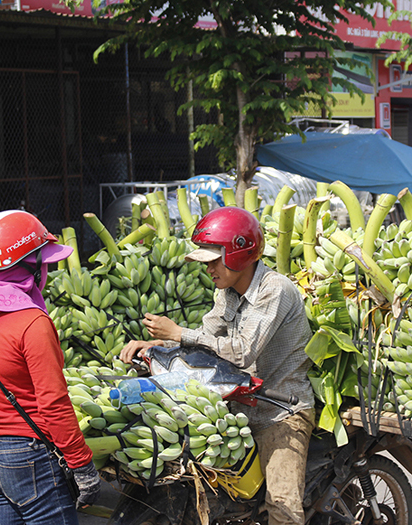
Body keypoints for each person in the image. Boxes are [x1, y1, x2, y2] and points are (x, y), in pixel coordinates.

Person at [120, 206, 315, 525]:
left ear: (239, 255)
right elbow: (206, 336)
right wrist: (158, 344)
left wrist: (178, 332)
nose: (208, 269)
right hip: (237, 406)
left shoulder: (274, 290)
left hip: (281, 412)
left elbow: (241, 354)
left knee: (281, 505)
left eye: (213, 260)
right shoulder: (228, 293)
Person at [0, 210, 100, 525]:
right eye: (44, 263)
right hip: (28, 459)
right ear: (30, 268)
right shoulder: (32, 323)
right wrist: (82, 466)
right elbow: (53, 404)